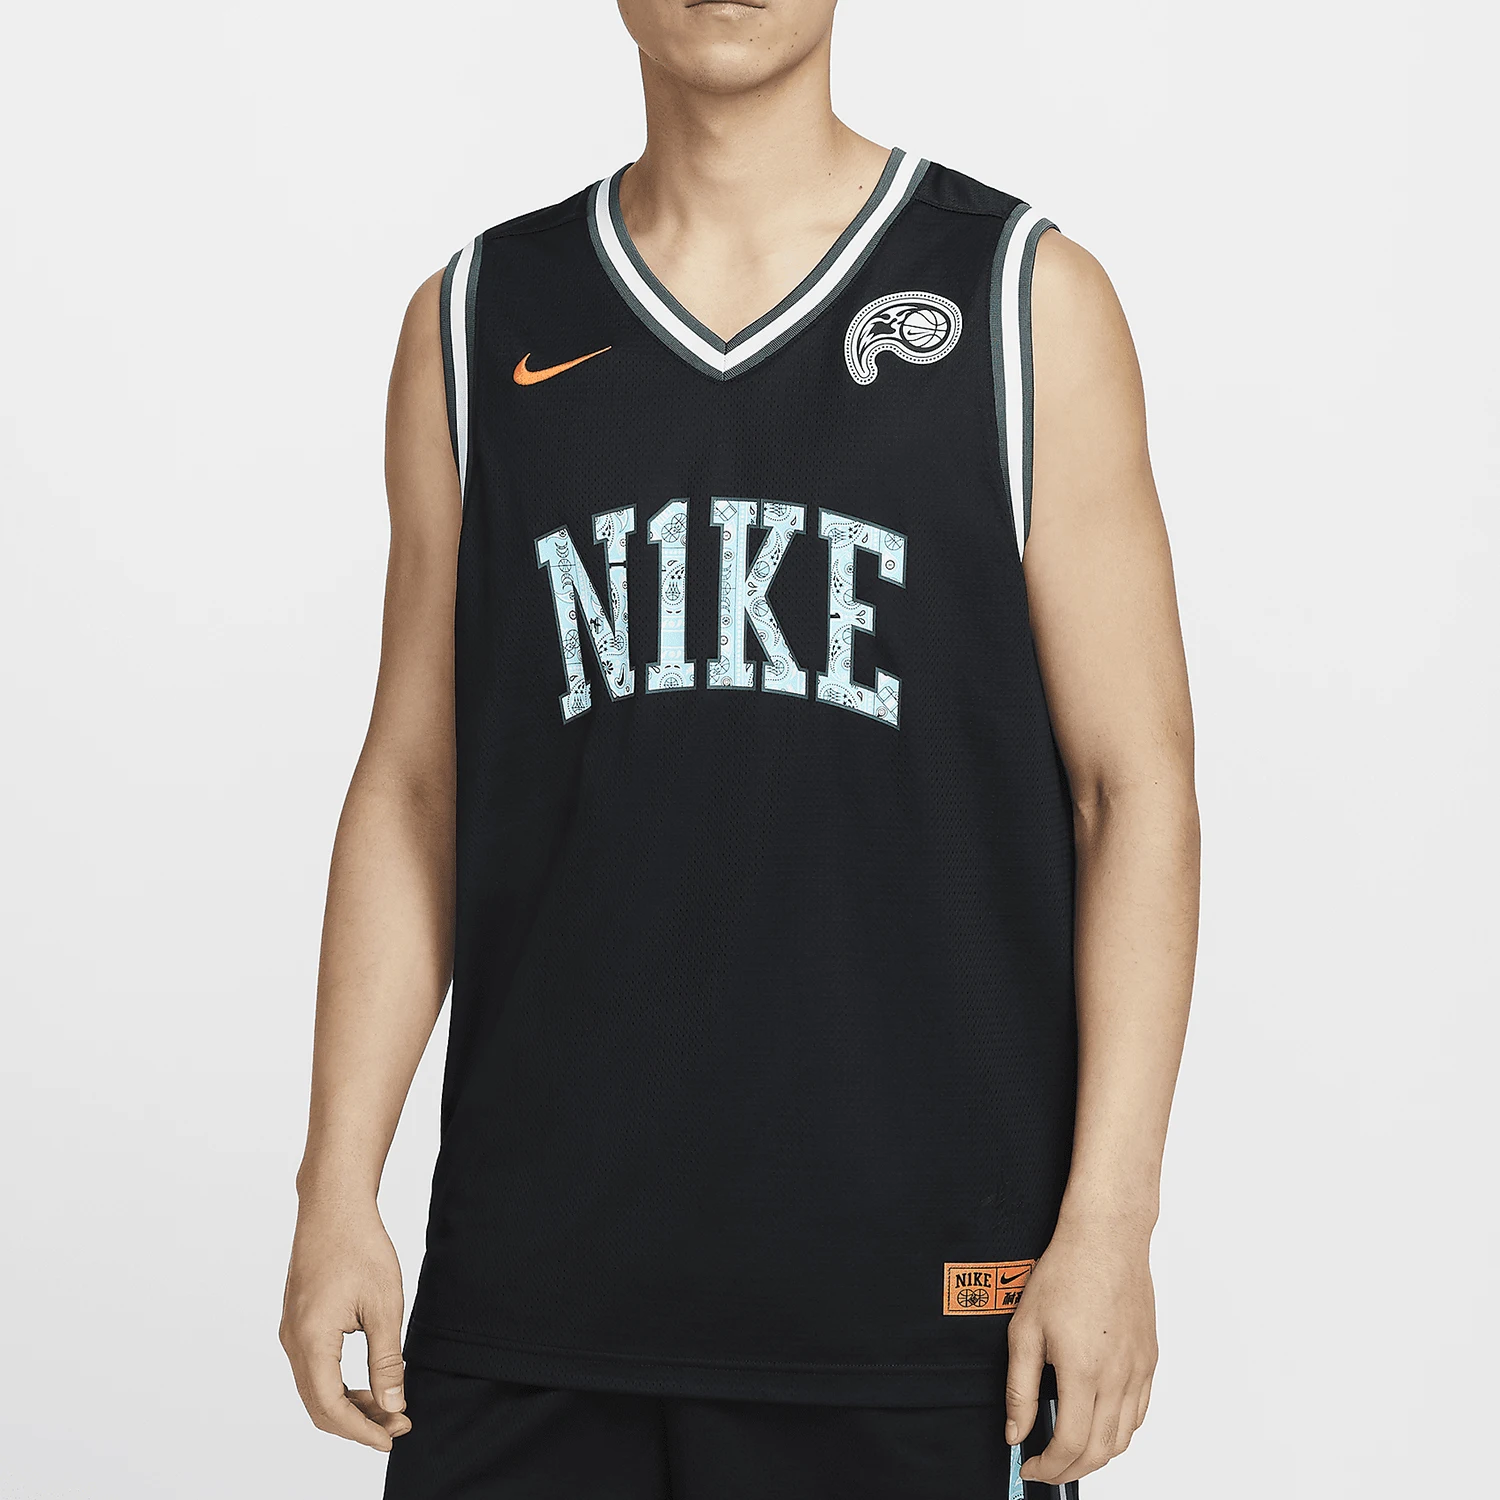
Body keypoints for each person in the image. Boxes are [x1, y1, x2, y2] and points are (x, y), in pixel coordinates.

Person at [279, 2, 1200, 1495]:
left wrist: (1110, 1222)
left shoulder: (1022, 301)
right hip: (531, 1299)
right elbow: (415, 787)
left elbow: (1132, 791)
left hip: (921, 1308)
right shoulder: (476, 318)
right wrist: (335, 1186)